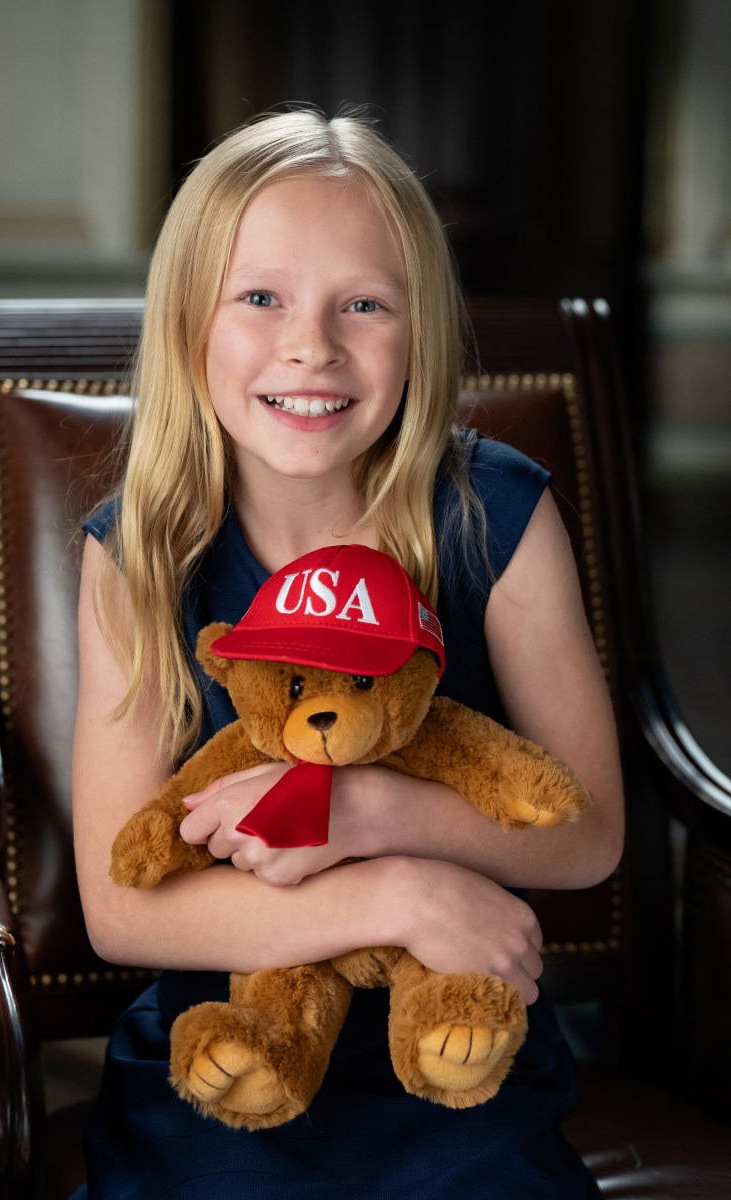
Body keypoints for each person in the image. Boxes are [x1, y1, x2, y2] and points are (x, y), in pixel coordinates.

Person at [71, 105, 624, 1198]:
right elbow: (120, 902)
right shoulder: (138, 551)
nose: (310, 346)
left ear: (418, 331)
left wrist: (371, 814)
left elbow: (591, 834)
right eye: (260, 298)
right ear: (190, 323)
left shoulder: (496, 516)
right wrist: (399, 895)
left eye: (363, 304)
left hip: (458, 1052)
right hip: (232, 1043)